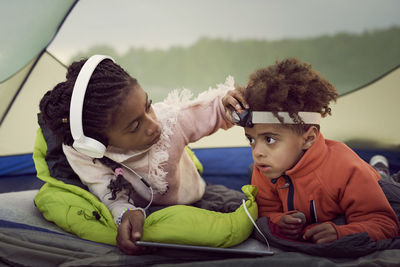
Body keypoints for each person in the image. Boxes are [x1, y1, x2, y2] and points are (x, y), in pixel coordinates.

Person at [39, 55, 244, 254]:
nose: (153, 126)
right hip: (148, 210)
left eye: (148, 106)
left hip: (197, 197)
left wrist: (227, 104)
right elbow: (107, 192)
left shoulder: (171, 122)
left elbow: (212, 112)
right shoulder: (88, 152)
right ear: (98, 144)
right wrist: (127, 213)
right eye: (135, 126)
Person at [222, 58, 399, 244]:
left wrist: (341, 232)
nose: (257, 152)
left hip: (371, 183)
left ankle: (380, 170)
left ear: (308, 139)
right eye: (251, 139)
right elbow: (266, 211)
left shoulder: (346, 170)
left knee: (386, 187)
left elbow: (384, 223)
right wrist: (278, 220)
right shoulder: (264, 169)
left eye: (270, 139)